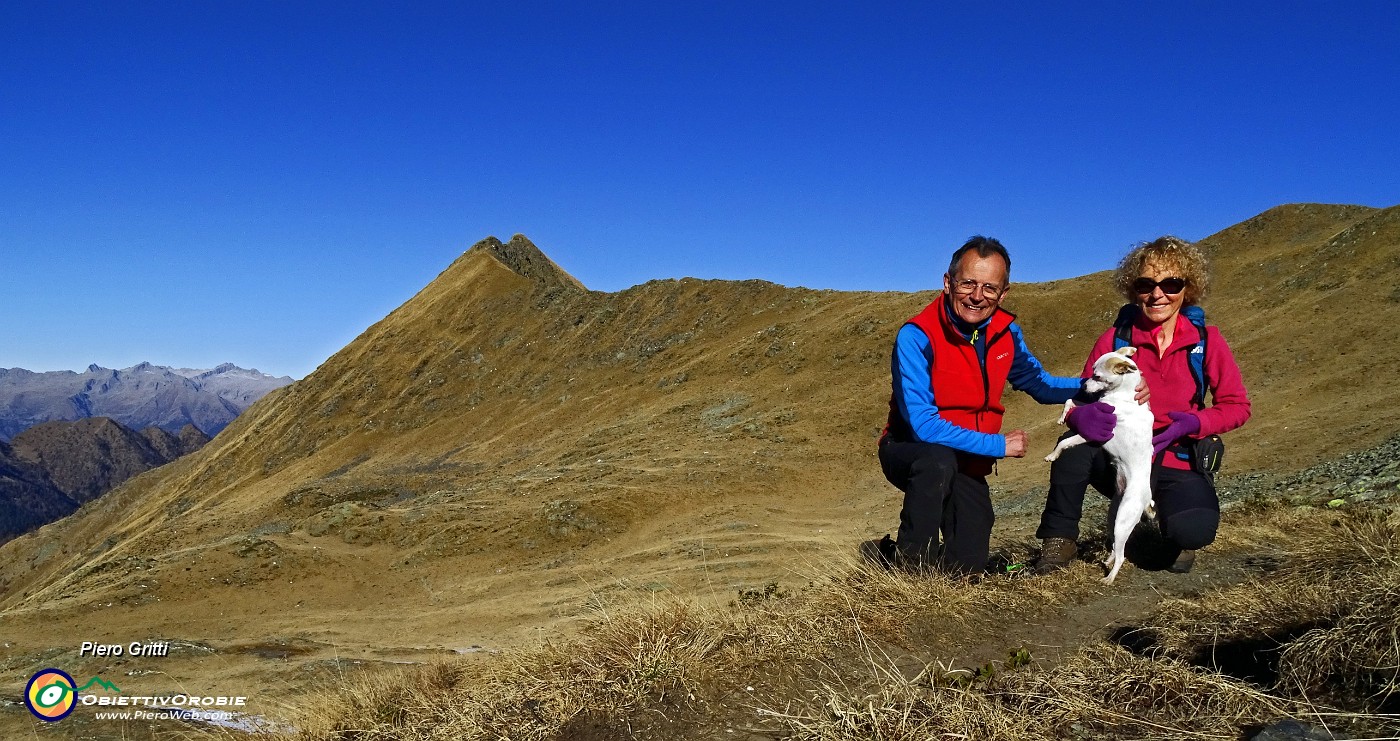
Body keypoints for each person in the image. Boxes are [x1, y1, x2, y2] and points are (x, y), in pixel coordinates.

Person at [1033, 235, 1251, 575]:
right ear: (1133, 289)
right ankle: (1058, 540)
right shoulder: (1114, 341)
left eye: (1171, 283)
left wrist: (1192, 424)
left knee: (1194, 531)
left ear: (1188, 288)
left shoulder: (1208, 341)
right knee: (1071, 449)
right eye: (1146, 284)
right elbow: (1084, 396)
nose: (1157, 294)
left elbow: (1237, 406)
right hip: (1117, 456)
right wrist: (1081, 417)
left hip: (1178, 456)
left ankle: (1161, 522)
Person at [874, 236, 1085, 575]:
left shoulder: (1005, 332)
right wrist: (999, 444)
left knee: (968, 565)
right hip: (909, 450)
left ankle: (883, 554)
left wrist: (1099, 386)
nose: (977, 296)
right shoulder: (916, 336)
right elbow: (923, 426)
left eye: (989, 287)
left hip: (966, 460)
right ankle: (910, 572)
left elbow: (1041, 385)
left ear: (1004, 293)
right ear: (947, 283)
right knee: (936, 460)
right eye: (968, 283)